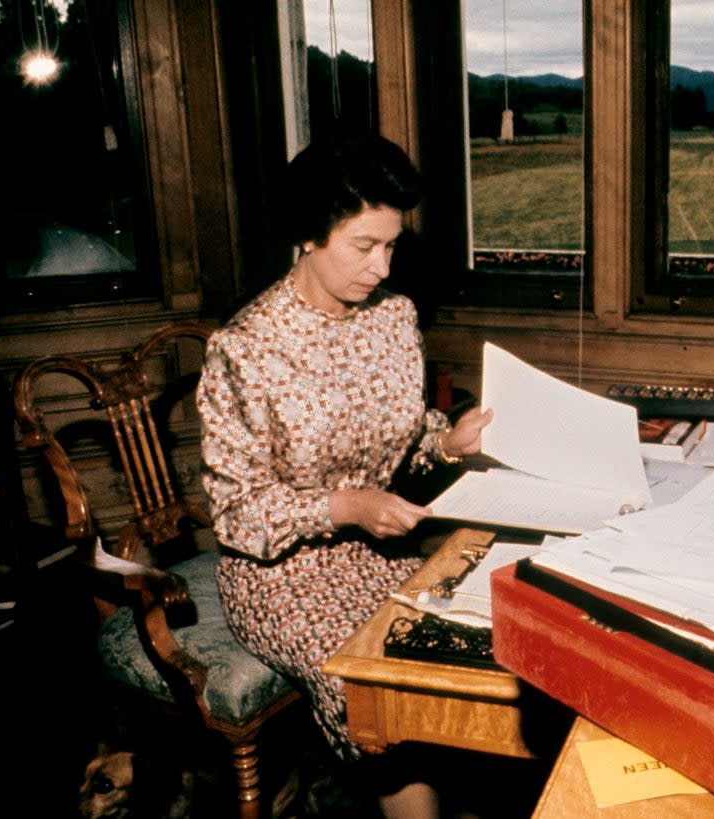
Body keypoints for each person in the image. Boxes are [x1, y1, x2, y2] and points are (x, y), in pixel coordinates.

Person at [196, 135, 492, 818]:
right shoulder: (246, 347)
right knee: (377, 689)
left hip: (375, 555)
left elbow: (403, 433)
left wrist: (447, 441)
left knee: (469, 658)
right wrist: (343, 506)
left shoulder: (394, 317)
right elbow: (239, 515)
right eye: (364, 246)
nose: (382, 267)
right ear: (308, 234)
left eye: (392, 246)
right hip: (279, 578)